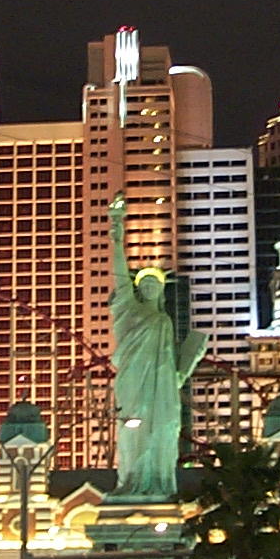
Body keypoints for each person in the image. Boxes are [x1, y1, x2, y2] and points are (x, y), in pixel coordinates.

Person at [107, 193, 206, 500]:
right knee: (131, 430)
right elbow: (120, 273)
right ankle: (131, 482)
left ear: (161, 290)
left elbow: (174, 358)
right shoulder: (129, 310)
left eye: (155, 284)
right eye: (145, 283)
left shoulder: (164, 320)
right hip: (133, 383)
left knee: (164, 428)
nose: (149, 286)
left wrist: (183, 368)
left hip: (163, 387)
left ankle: (161, 483)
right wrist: (117, 230)